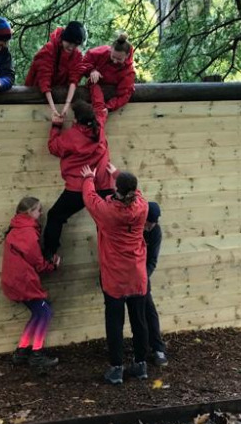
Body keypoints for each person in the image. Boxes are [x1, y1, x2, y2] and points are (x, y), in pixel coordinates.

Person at [79, 165, 150, 385]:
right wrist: (117, 173)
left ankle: (116, 369)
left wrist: (89, 177)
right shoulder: (142, 207)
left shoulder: (108, 212)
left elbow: (90, 199)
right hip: (137, 275)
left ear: (115, 189)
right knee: (139, 321)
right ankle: (141, 366)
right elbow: (136, 193)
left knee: (114, 322)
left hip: (115, 277)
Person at [42, 81, 115, 259]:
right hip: (104, 184)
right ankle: (112, 256)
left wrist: (56, 126)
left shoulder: (72, 137)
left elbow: (53, 148)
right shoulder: (99, 123)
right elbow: (99, 104)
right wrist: (94, 84)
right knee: (105, 223)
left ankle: (49, 254)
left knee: (55, 216)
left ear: (75, 120)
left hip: (80, 186)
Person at [0, 197, 60, 368]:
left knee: (39, 313)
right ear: (29, 212)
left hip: (14, 280)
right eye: (39, 210)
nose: (41, 213)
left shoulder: (17, 227)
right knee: (45, 313)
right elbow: (38, 262)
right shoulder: (27, 232)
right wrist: (53, 266)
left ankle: (22, 351)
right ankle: (37, 354)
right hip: (23, 281)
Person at [24, 21, 87, 119]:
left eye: (75, 45)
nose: (71, 47)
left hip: (59, 96)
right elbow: (45, 82)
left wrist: (66, 105)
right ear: (64, 38)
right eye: (69, 43)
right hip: (37, 95)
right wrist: (53, 110)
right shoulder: (49, 50)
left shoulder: (76, 55)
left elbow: (74, 80)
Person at [76, 32, 136, 112]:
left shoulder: (129, 72)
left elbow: (124, 95)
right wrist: (92, 70)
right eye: (113, 57)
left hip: (109, 99)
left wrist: (109, 107)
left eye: (119, 59)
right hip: (93, 88)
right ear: (111, 49)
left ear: (127, 56)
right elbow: (83, 63)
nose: (115, 61)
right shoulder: (101, 52)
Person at [143, 202, 168, 366]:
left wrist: (143, 276)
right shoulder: (133, 227)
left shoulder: (155, 231)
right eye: (148, 222)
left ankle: (158, 348)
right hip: (121, 275)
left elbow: (152, 260)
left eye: (153, 223)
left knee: (149, 311)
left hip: (141, 276)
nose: (150, 226)